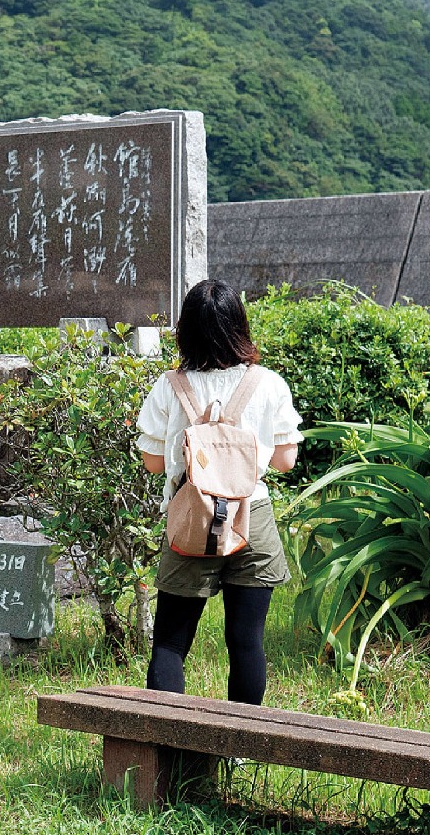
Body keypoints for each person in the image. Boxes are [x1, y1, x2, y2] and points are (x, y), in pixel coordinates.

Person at [135, 279, 303, 705]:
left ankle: (168, 749)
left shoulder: (170, 386)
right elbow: (286, 461)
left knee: (171, 644)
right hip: (253, 519)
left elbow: (153, 462)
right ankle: (238, 752)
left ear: (185, 330)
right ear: (239, 326)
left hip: (190, 518)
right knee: (246, 644)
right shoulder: (266, 384)